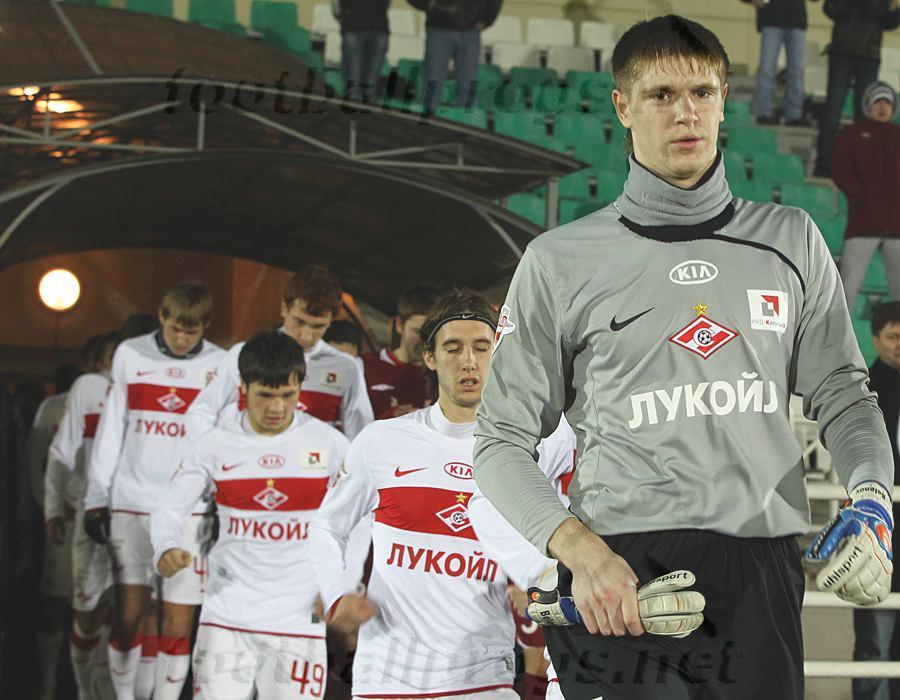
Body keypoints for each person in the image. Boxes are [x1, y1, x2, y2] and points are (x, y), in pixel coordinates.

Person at [473, 14, 894, 700]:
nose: (685, 112)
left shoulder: (791, 238)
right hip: (621, 571)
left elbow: (846, 394)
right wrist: (579, 551)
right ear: (623, 106)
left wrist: (873, 498)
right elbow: (498, 440)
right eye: (661, 94)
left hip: (760, 571)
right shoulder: (558, 261)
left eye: (702, 92)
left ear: (724, 100)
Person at [310, 290, 573, 699]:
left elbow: (572, 518)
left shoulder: (542, 443)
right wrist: (335, 594)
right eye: (452, 348)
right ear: (429, 357)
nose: (468, 361)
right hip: (387, 675)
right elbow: (327, 525)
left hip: (483, 673)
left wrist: (539, 578)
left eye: (481, 347)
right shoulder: (381, 441)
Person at [150, 330, 351, 698]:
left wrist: (342, 585)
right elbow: (169, 506)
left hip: (299, 619)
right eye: (265, 395)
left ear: (300, 386)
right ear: (242, 386)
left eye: (287, 395)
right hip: (227, 616)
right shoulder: (214, 445)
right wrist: (165, 545)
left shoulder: (331, 445)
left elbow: (361, 519)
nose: (277, 408)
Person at [83, 282, 225, 700]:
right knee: (128, 616)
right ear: (162, 317)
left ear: (205, 327)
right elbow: (113, 427)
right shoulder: (131, 354)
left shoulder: (220, 364)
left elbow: (221, 439)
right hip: (133, 502)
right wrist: (96, 499)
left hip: (188, 510)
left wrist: (219, 500)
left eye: (191, 332)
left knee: (178, 625)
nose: (181, 339)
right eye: (175, 329)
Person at [187, 264, 373, 440]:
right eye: (299, 322)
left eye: (318, 326)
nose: (306, 335)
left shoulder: (346, 367)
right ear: (284, 308)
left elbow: (360, 433)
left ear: (331, 320)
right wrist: (218, 453)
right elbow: (202, 412)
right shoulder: (241, 354)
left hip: (313, 462)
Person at [45, 331, 120, 700]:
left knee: (122, 613)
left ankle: (106, 692)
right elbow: (59, 453)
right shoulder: (87, 391)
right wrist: (53, 507)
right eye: (111, 358)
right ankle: (80, 690)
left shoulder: (145, 393)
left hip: (131, 521)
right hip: (86, 517)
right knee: (85, 609)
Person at [850, 302, 900, 700]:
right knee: (874, 644)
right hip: (879, 533)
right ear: (875, 339)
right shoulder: (861, 390)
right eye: (893, 337)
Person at [29, 361, 81, 700]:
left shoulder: (117, 402)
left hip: (98, 524)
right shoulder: (53, 408)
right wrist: (49, 507)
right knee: (55, 605)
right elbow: (36, 459)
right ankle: (46, 682)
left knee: (97, 610)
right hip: (64, 521)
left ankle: (89, 684)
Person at [831, 81, 900, 313]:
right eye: (878, 102)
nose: (883, 107)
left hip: (897, 226)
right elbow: (839, 169)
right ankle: (837, 336)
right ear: (868, 106)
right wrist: (860, 197)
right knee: (847, 288)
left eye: (887, 102)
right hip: (863, 223)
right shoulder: (852, 134)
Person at [813, 0, 900, 177]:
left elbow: (889, 23)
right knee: (833, 112)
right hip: (844, 53)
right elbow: (831, 9)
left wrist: (894, 9)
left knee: (863, 116)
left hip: (868, 55)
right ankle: (824, 163)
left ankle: (860, 165)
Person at [407, 0, 502, 113]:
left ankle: (465, 121)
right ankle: (428, 120)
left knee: (467, 85)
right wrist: (426, 3)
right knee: (433, 82)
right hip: (439, 28)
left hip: (470, 30)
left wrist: (487, 19)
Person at [361, 285, 438, 419]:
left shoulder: (443, 373)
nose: (424, 340)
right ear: (399, 325)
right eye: (417, 331)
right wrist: (389, 420)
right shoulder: (365, 367)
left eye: (430, 333)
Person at [741, 0, 816, 126]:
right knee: (769, 71)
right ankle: (769, 113)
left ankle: (790, 114)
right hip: (774, 19)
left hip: (791, 19)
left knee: (794, 72)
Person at [335, 0, 390, 103]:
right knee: (356, 86)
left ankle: (362, 110)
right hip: (357, 28)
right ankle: (353, 111)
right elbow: (336, 7)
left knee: (367, 86)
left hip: (375, 28)